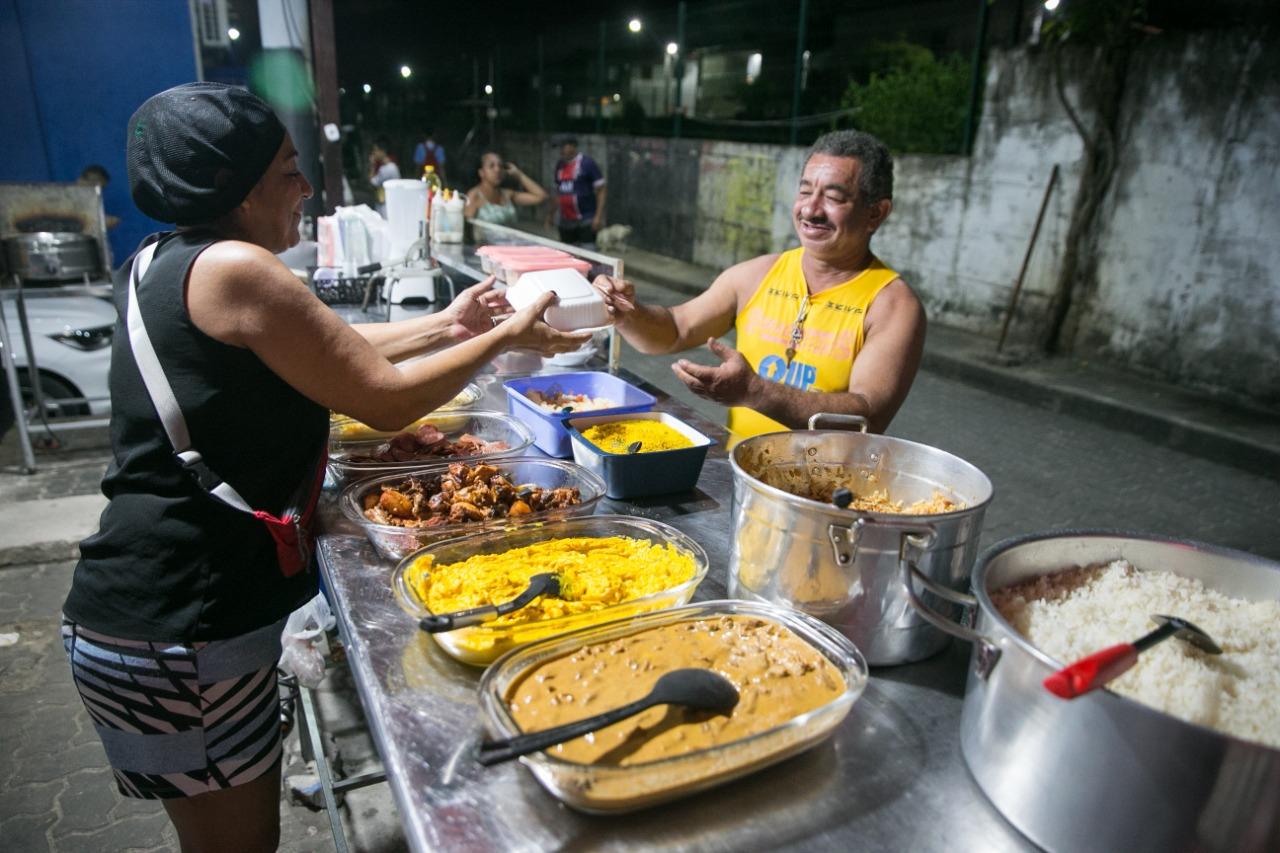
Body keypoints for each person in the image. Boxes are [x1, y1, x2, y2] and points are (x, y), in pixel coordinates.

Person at [60, 82, 588, 853]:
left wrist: (450, 322)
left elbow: (327, 350)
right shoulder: (237, 268)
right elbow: (380, 400)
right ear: (234, 189)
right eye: (285, 169)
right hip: (181, 623)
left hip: (155, 617)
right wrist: (508, 335)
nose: (304, 186)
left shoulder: (166, 260)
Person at [593, 129, 925, 441]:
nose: (810, 209)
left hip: (823, 495)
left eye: (834, 197)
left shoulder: (892, 305)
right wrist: (628, 313)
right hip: (743, 476)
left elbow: (868, 416)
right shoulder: (756, 275)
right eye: (805, 190)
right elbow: (677, 328)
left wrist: (755, 392)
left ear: (876, 214)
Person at [548, 134, 606, 246]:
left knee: (589, 253)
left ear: (572, 146)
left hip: (586, 218)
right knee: (568, 254)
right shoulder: (560, 166)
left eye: (562, 147)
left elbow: (602, 190)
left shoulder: (587, 163)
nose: (560, 151)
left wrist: (598, 216)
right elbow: (558, 193)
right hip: (566, 221)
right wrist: (551, 215)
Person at [464, 151, 547, 226]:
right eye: (491, 166)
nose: (497, 170)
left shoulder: (507, 195)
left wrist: (519, 175)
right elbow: (466, 229)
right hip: (485, 243)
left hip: (511, 242)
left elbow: (541, 196)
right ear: (481, 172)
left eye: (500, 166)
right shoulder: (474, 196)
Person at [78, 164, 121, 229]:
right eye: (93, 185)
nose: (97, 192)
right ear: (80, 180)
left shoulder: (93, 203)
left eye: (101, 189)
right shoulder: (63, 200)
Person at [367, 136, 400, 211]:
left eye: (375, 150)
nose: (374, 153)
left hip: (387, 206)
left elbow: (372, 182)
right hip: (386, 203)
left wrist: (372, 165)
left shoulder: (388, 169)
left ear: (383, 151)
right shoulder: (388, 166)